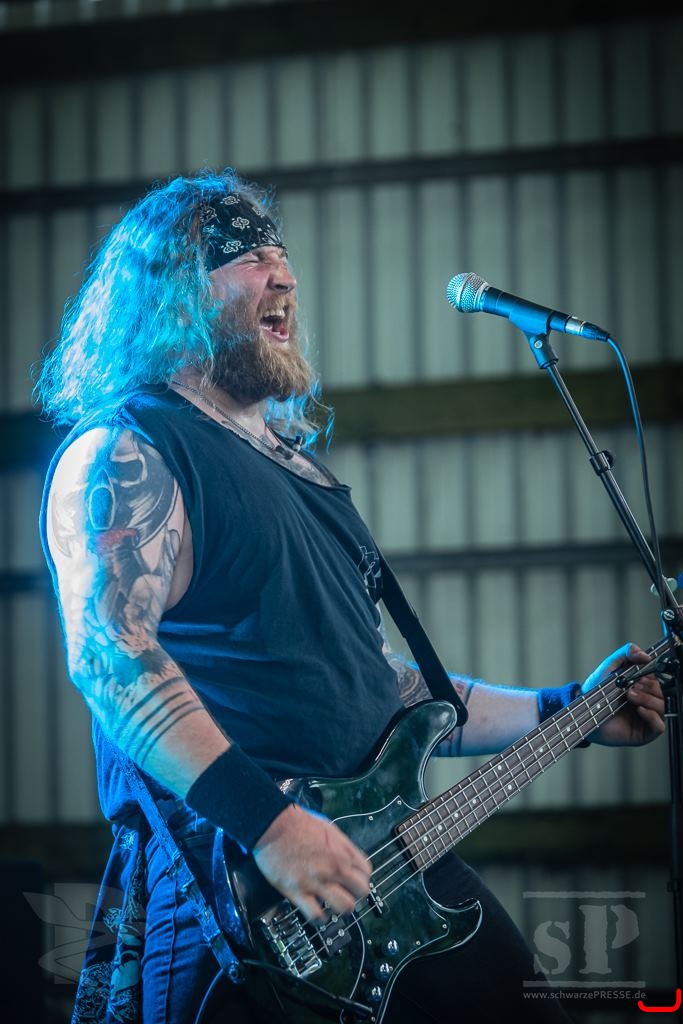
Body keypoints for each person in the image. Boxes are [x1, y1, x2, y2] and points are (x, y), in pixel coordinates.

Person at [35, 168, 666, 1024]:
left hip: (389, 866)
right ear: (175, 291)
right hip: (242, 888)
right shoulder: (131, 448)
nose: (285, 275)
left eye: (282, 254)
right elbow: (109, 653)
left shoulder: (305, 476)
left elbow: (383, 690)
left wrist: (570, 709)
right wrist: (269, 824)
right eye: (250, 256)